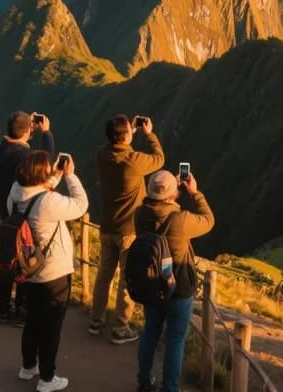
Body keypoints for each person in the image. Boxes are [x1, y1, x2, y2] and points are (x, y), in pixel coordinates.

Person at [8, 151, 88, 392]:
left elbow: (37, 195)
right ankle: (47, 378)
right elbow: (80, 205)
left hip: (28, 270)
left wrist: (54, 177)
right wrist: (71, 177)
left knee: (33, 320)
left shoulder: (14, 193)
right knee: (51, 326)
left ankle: (28, 366)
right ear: (41, 175)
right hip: (54, 272)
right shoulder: (48, 203)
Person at [135, 170, 215, 392]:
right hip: (179, 288)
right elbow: (209, 220)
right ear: (173, 195)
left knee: (150, 331)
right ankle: (169, 388)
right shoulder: (180, 219)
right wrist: (195, 193)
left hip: (151, 285)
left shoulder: (139, 214)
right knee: (175, 340)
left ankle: (143, 381)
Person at [91, 115, 165, 344]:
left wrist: (128, 131)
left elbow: (114, 145)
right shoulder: (133, 160)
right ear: (126, 136)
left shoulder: (102, 155)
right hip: (128, 230)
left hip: (107, 226)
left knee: (104, 275)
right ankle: (120, 327)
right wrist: (149, 133)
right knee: (126, 278)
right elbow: (159, 159)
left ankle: (96, 320)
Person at [0, 111, 55, 325]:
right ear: (28, 131)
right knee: (23, 259)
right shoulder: (24, 155)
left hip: (5, 210)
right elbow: (44, 161)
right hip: (23, 212)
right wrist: (45, 133)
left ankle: (2, 308)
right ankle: (21, 308)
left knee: (7, 260)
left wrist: (27, 132)